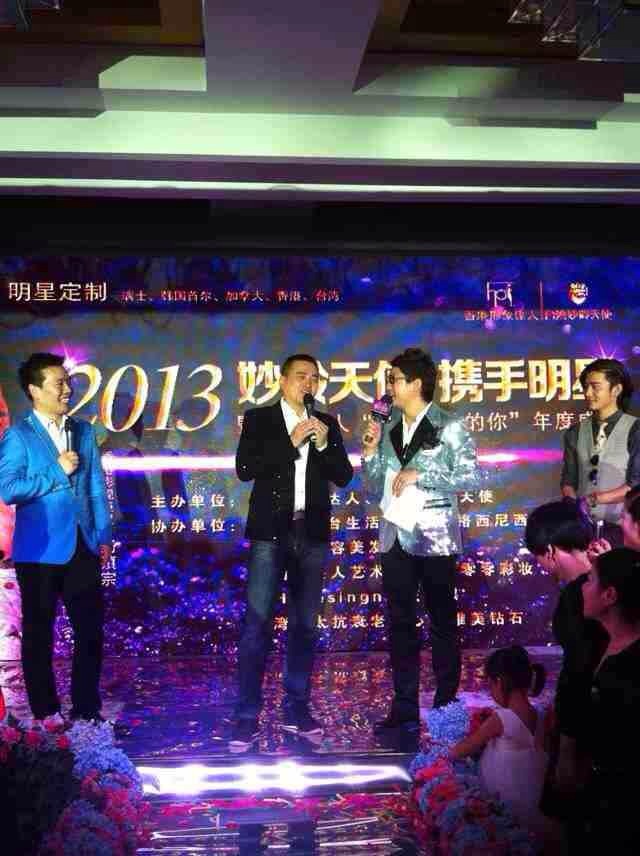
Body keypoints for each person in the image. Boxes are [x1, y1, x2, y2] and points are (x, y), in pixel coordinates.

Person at [231, 353, 353, 750]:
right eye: (301, 376)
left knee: (305, 625)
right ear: (282, 381)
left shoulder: (326, 423)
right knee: (257, 625)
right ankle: (246, 715)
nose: (308, 384)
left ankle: (296, 707)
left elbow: (343, 475)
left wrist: (324, 444)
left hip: (311, 533)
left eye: (314, 378)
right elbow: (245, 469)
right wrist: (291, 442)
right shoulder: (259, 419)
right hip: (270, 534)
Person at [361, 347, 479, 731]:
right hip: (394, 535)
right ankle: (404, 706)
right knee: (400, 623)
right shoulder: (388, 426)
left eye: (394, 379)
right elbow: (373, 485)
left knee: (442, 622)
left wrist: (421, 476)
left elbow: (471, 477)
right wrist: (369, 451)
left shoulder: (449, 424)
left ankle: (445, 705)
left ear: (415, 384)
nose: (389, 387)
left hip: (435, 537)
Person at [0, 353, 111, 728]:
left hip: (83, 544)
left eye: (68, 382)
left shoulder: (83, 431)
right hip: (39, 549)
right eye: (59, 383)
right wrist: (56, 471)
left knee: (90, 631)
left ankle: (86, 709)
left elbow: (95, 487)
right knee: (38, 633)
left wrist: (103, 535)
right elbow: (9, 488)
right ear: (35, 390)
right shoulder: (19, 436)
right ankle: (46, 711)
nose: (67, 389)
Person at [448, 646, 553, 842]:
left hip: (506, 795)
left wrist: (444, 750)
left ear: (499, 682)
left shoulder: (501, 718)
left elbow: (461, 750)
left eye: (490, 684)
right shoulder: (540, 714)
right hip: (535, 793)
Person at [579, 548, 640, 853]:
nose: (582, 587)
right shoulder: (601, 642)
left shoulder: (630, 666)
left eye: (590, 580)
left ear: (610, 595)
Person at [560, 358, 639, 547]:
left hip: (624, 531)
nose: (588, 393)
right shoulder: (575, 432)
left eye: (595, 387)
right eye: (585, 387)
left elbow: (636, 484)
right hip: (585, 531)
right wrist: (573, 507)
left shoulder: (635, 429)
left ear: (616, 390)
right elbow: (569, 480)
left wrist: (593, 499)